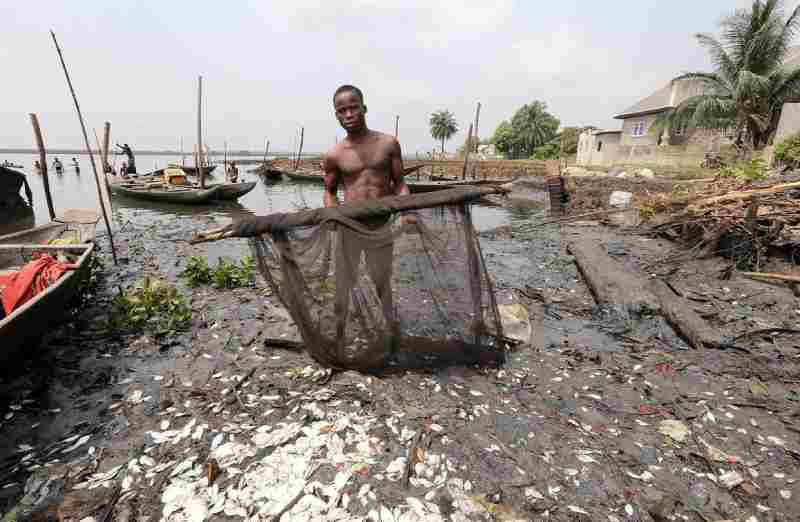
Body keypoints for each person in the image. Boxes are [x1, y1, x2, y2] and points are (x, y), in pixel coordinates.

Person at [322, 84, 412, 350]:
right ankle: (338, 336)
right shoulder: (334, 155)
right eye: (342, 110)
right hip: (350, 226)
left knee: (381, 279)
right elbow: (329, 192)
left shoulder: (387, 144)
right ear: (337, 115)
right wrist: (332, 214)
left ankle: (390, 329)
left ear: (364, 108)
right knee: (343, 283)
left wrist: (407, 210)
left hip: (380, 225)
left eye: (353, 107)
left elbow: (400, 184)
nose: (348, 114)